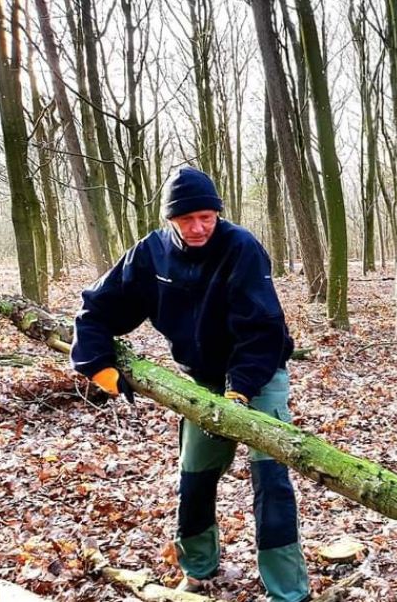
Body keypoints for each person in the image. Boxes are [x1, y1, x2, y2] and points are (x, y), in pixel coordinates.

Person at [70, 166, 310, 602]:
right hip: (200, 380)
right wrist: (96, 361)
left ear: (218, 213)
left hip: (259, 374)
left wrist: (240, 390)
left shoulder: (242, 248)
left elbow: (263, 328)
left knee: (271, 479)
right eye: (186, 220)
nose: (198, 228)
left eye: (206, 217)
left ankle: (288, 591)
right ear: (170, 221)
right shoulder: (152, 253)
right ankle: (198, 568)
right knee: (194, 476)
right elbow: (98, 306)